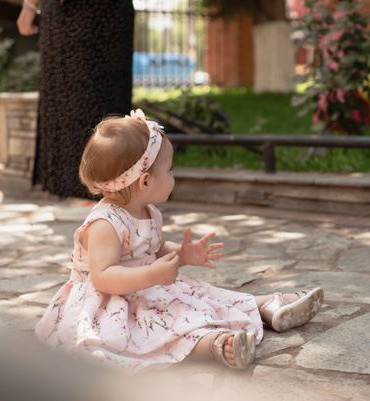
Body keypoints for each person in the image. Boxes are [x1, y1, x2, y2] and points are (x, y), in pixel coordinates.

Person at [34, 110, 324, 372]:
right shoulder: (104, 225)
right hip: (111, 304)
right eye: (169, 170)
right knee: (162, 329)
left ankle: (265, 306)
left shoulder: (147, 211)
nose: (173, 176)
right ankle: (217, 344)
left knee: (202, 298)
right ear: (145, 181)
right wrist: (152, 275)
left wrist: (182, 254)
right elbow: (103, 277)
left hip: (146, 287)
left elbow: (154, 248)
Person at [17, 0, 134, 198]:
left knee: (104, 96)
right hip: (66, 13)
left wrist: (29, 6)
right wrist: (29, 6)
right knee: (67, 97)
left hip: (106, 14)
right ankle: (79, 191)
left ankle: (102, 189)